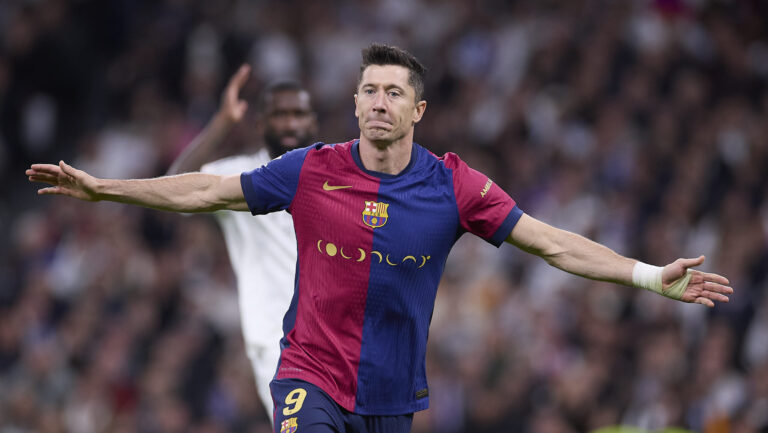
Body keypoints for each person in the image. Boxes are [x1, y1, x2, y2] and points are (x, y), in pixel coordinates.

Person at [27, 43, 733, 433]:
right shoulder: (311, 170)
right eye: (368, 90)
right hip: (310, 377)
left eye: (393, 92)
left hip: (392, 400)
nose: (378, 102)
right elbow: (206, 188)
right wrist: (104, 188)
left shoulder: (454, 186)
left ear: (418, 109)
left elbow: (551, 243)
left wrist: (647, 275)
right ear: (355, 101)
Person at [165, 64, 317, 420]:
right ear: (261, 123)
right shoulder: (239, 175)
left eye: (298, 114)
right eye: (280, 114)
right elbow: (174, 186)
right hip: (277, 342)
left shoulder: (335, 176)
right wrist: (222, 122)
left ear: (313, 121)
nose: (290, 123)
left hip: (336, 339)